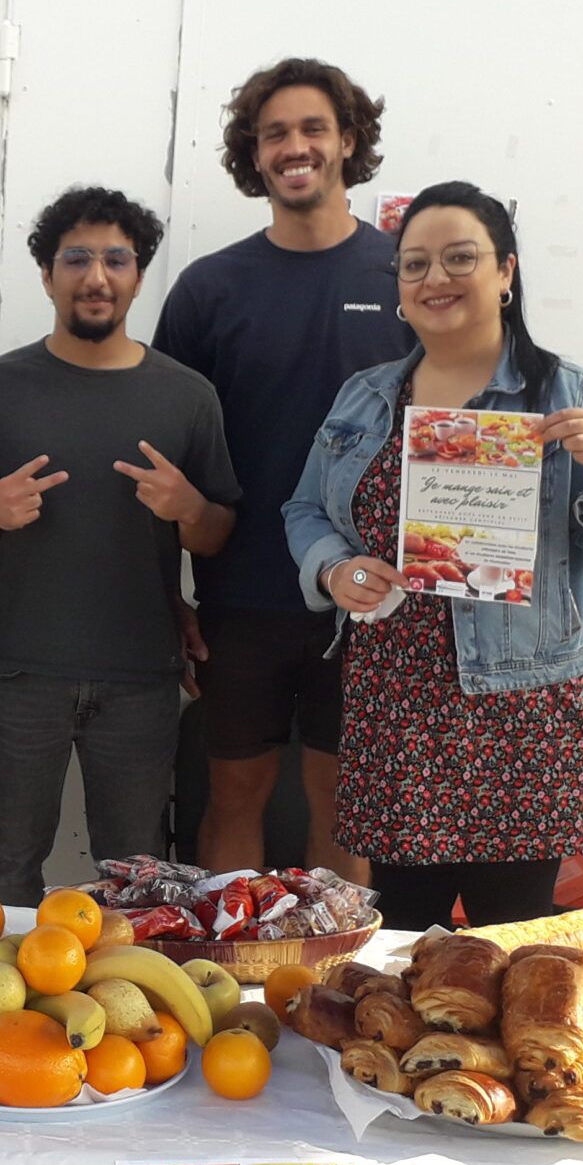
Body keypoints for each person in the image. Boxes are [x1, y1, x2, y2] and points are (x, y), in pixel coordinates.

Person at [282, 180, 583, 935]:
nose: (436, 278)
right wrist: (335, 569)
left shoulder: (565, 392)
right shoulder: (366, 397)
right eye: (415, 264)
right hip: (398, 705)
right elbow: (305, 509)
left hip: (525, 707)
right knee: (402, 939)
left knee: (512, 939)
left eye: (460, 258)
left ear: (505, 271)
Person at [0, 186, 241, 907]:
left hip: (140, 675)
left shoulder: (187, 395)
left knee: (136, 877)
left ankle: (121, 989)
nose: (96, 277)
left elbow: (218, 531)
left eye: (115, 260)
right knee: (8, 864)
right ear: (47, 275)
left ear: (138, 276)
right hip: (19, 670)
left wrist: (187, 507)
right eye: (76, 258)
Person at [154, 56, 405, 881]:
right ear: (254, 153)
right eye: (274, 134)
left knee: (342, 804)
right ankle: (238, 959)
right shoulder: (208, 290)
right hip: (240, 596)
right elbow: (166, 463)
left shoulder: (407, 278)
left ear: (349, 140)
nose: (294, 147)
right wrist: (169, 597)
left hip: (371, 600)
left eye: (313, 128)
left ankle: (336, 960)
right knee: (234, 796)